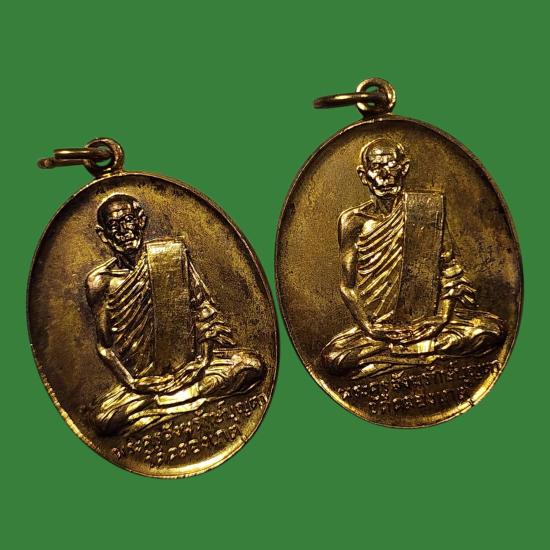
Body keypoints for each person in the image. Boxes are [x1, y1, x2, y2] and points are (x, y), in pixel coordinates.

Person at [320, 139, 504, 378]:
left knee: (491, 330)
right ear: (364, 176)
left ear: (404, 168)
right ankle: (420, 354)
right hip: (379, 330)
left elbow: (449, 269)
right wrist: (371, 328)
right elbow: (347, 286)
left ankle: (392, 359)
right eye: (377, 167)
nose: (385, 175)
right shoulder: (353, 221)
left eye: (391, 165)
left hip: (428, 321)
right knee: (333, 358)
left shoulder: (426, 209)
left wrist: (441, 318)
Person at [86, 194, 264, 435]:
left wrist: (201, 361)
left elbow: (203, 311)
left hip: (192, 367)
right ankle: (179, 402)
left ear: (140, 221)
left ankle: (158, 410)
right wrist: (135, 383)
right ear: (103, 234)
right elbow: (105, 347)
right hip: (144, 384)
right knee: (102, 419)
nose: (124, 231)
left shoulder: (170, 256)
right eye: (114, 226)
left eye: (128, 221)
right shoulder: (100, 282)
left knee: (251, 365)